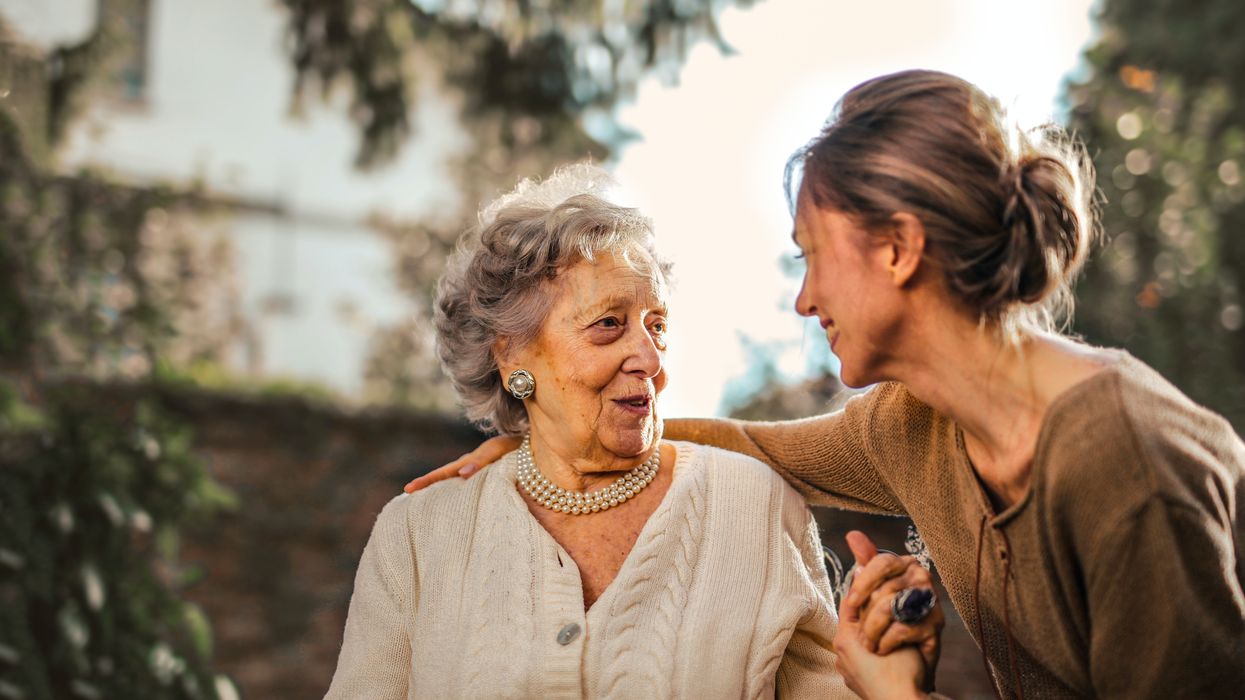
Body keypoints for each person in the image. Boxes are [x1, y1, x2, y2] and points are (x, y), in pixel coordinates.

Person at [408, 71, 1245, 699]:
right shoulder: (912, 425)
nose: (804, 298)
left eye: (811, 254)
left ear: (897, 248)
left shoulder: (1123, 463)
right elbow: (746, 444)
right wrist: (545, 429)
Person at [326, 165, 888, 698]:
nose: (648, 357)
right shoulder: (419, 535)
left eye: (658, 325)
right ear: (512, 354)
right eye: (609, 325)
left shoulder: (757, 506)